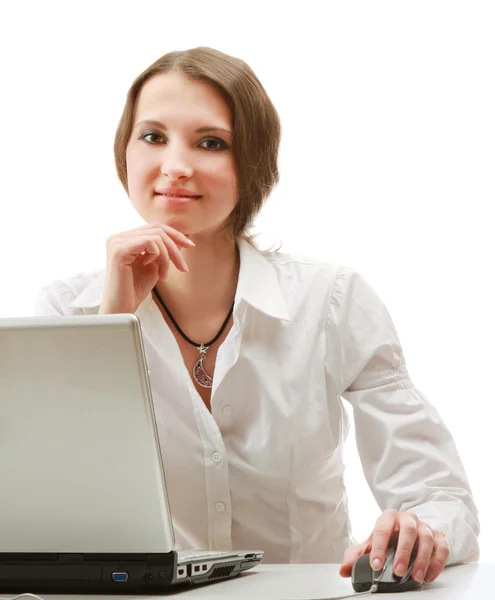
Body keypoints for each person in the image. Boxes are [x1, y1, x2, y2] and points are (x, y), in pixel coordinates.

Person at [34, 46, 479, 584]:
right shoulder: (67, 311)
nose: (175, 165)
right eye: (152, 136)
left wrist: (419, 530)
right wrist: (112, 329)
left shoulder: (332, 301)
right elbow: (56, 517)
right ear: (124, 152)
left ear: (253, 163)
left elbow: (441, 497)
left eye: (211, 142)